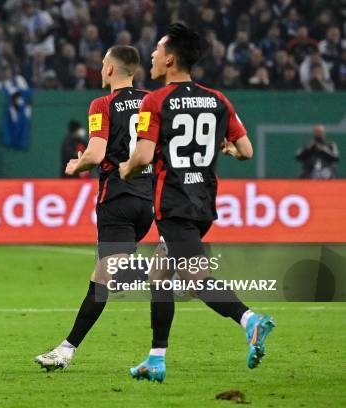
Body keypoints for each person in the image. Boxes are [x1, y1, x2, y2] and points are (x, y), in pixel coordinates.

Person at [119, 22, 274, 383]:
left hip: (172, 202)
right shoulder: (218, 99)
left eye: (157, 50)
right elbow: (246, 151)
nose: (153, 55)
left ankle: (249, 320)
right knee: (160, 274)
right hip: (203, 201)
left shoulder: (154, 101)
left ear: (170, 59)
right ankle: (155, 358)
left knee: (194, 276)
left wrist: (125, 170)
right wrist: (227, 148)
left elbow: (142, 156)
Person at [35, 46, 153, 371]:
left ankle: (164, 269)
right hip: (147, 201)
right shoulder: (152, 102)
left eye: (103, 65)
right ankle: (66, 349)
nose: (100, 70)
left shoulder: (102, 104)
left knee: (113, 274)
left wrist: (77, 165)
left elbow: (97, 151)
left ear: (112, 69)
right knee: (101, 278)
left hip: (116, 200)